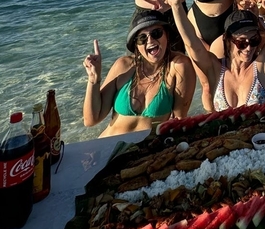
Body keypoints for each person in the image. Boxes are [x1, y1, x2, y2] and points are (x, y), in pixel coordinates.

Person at [82, 9, 195, 137]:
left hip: (147, 152)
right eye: (142, 38)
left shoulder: (178, 67)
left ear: (167, 35)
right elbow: (91, 120)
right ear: (136, 44)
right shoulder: (124, 66)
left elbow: (179, 120)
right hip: (107, 146)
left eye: (156, 33)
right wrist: (93, 78)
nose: (150, 40)